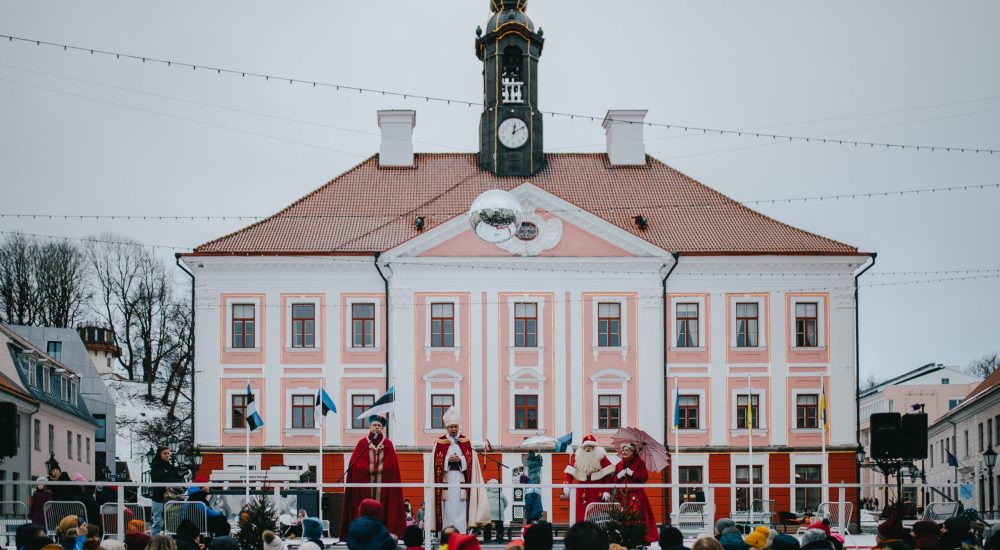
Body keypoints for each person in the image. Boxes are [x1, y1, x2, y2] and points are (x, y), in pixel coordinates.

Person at [339, 416, 406, 539]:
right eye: (374, 425)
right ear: (370, 427)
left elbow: (392, 466)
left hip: (384, 489)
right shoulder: (362, 443)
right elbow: (356, 464)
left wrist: (376, 469)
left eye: (379, 426)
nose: (376, 427)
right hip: (364, 488)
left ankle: (385, 533)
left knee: (386, 508)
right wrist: (371, 469)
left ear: (382, 429)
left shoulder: (388, 444)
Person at [433, 407, 489, 533]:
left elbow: (471, 460)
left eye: (455, 427)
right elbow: (435, 461)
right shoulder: (440, 442)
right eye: (451, 427)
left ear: (458, 427)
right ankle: (447, 533)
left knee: (461, 506)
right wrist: (447, 459)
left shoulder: (466, 442)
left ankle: (462, 532)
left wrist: (461, 460)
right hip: (446, 480)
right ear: (447, 428)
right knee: (447, 507)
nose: (453, 429)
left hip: (461, 479)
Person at [562, 434, 615, 523]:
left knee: (597, 514)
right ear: (583, 448)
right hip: (582, 491)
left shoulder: (601, 457)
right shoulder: (578, 457)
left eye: (591, 446)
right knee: (581, 513)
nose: (588, 449)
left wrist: (607, 491)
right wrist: (567, 485)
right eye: (586, 446)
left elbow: (608, 475)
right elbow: (570, 472)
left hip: (597, 490)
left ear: (595, 447)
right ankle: (581, 532)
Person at [614, 443, 657, 544]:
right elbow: (614, 480)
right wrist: (619, 476)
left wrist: (631, 473)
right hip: (623, 496)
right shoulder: (619, 465)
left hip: (636, 495)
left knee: (637, 517)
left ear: (632, 452)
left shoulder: (639, 463)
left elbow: (644, 477)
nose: (624, 452)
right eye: (623, 450)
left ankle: (641, 538)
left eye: (626, 450)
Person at [149, 446, 185, 536]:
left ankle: (169, 543)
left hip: (171, 498)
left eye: (168, 453)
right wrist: (174, 480)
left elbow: (177, 478)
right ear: (159, 454)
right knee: (158, 522)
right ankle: (154, 542)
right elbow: (160, 479)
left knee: (171, 522)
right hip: (159, 498)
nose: (167, 455)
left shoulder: (170, 466)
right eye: (165, 453)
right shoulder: (155, 466)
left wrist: (176, 480)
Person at [485, 479, 508, 543]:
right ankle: (499, 539)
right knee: (499, 526)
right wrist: (502, 509)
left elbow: (483, 503)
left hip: (489, 511)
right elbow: (506, 503)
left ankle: (487, 539)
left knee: (487, 526)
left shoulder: (486, 493)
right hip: (499, 512)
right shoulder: (501, 493)